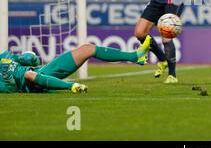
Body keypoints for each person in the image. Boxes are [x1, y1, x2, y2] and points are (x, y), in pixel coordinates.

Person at [0, 36, 151, 93]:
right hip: (34, 81)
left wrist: (29, 57)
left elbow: (32, 61)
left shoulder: (5, 56)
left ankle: (135, 56)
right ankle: (69, 86)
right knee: (30, 75)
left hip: (42, 70)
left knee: (88, 48)